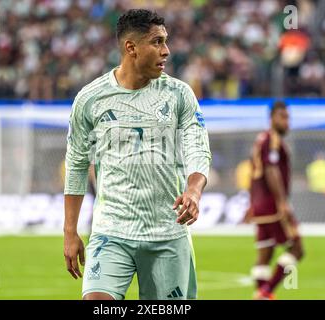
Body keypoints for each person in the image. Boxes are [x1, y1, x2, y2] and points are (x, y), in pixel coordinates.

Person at [63, 9, 211, 300]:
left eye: (166, 41)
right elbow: (77, 164)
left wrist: (193, 191)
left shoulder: (179, 94)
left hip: (167, 232)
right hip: (111, 230)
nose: (166, 51)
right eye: (157, 42)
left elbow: (198, 148)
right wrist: (70, 230)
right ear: (131, 47)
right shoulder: (90, 99)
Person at [245, 101, 305, 300]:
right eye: (283, 117)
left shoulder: (261, 139)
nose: (287, 122)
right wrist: (281, 202)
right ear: (272, 118)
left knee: (265, 254)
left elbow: (254, 173)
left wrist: (252, 203)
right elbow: (270, 170)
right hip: (272, 205)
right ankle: (265, 292)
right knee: (297, 249)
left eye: (288, 117)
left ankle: (261, 291)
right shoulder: (272, 139)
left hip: (260, 206)